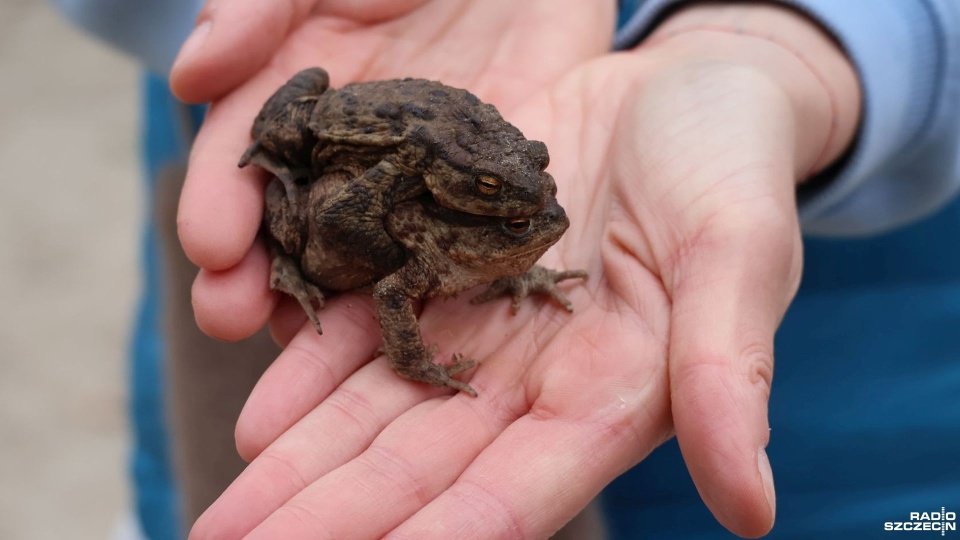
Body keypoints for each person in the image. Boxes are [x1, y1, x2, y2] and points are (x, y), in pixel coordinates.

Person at [58, 0, 959, 538]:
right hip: (327, 141)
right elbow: (386, 263)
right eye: (496, 192)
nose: (529, 207)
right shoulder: (413, 182)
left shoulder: (486, 191)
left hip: (895, 451)